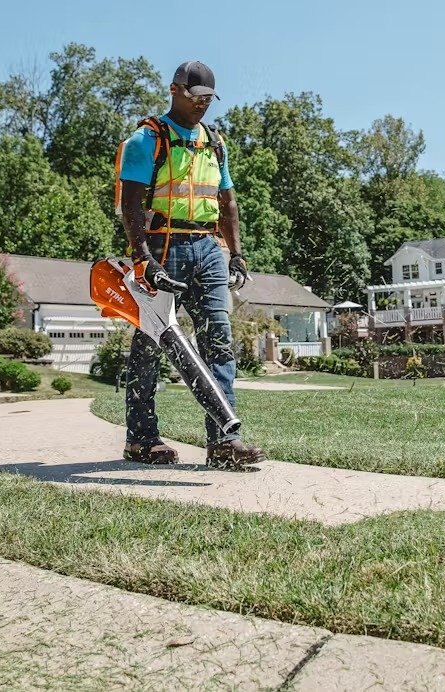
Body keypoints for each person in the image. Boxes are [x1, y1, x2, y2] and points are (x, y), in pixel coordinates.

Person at [118, 60, 265, 469]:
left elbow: (227, 201)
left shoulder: (215, 142)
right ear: (175, 90)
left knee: (218, 341)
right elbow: (129, 203)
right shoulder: (147, 139)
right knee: (149, 344)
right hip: (163, 246)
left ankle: (223, 443)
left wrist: (236, 253)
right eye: (196, 96)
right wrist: (141, 258)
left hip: (207, 248)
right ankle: (141, 439)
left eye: (208, 99)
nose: (202, 105)